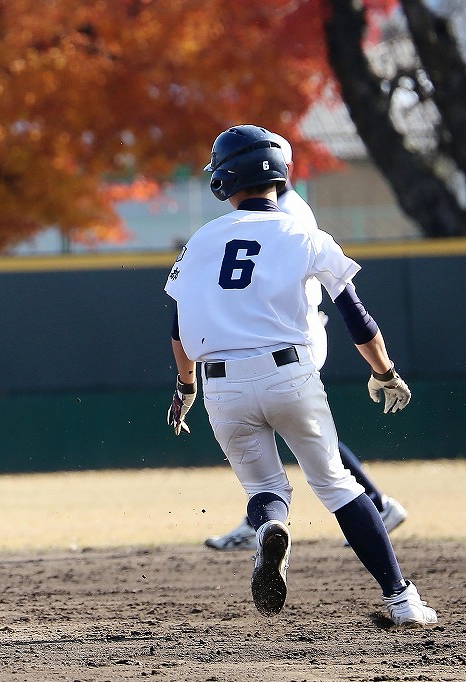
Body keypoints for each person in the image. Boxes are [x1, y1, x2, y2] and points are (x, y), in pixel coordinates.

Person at [164, 124, 437, 626]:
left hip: (223, 383)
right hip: (288, 374)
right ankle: (401, 600)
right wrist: (385, 372)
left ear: (224, 180)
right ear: (280, 173)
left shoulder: (201, 240)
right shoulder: (303, 232)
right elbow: (357, 317)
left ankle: (270, 527)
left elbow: (177, 325)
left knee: (264, 489)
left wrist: (185, 385)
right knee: (336, 485)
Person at [203, 133, 407, 551]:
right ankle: (270, 515)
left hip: (291, 330)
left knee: (286, 419)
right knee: (288, 419)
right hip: (283, 329)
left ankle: (360, 503)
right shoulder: (284, 207)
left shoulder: (287, 211)